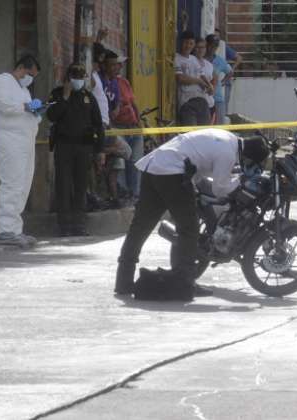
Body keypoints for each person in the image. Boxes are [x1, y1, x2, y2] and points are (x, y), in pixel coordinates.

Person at [114, 128, 271, 299]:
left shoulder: (226, 137)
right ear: (248, 156)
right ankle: (185, 283)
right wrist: (241, 181)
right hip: (172, 171)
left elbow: (199, 163)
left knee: (140, 227)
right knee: (189, 229)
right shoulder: (228, 154)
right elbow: (220, 189)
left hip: (154, 165)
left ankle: (123, 281)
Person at [0, 54, 43, 248]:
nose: (31, 79)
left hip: (24, 142)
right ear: (22, 68)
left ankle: (14, 229)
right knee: (12, 184)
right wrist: (27, 107)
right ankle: (4, 230)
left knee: (23, 185)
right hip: (9, 141)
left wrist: (36, 112)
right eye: (31, 74)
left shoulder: (23, 90)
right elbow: (3, 107)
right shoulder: (0, 81)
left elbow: (25, 112)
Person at [46, 64, 106, 236]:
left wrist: (100, 150)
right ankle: (64, 226)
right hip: (64, 146)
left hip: (84, 147)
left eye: (82, 77)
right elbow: (51, 116)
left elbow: (98, 125)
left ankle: (79, 225)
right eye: (76, 77)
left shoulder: (88, 97)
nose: (79, 80)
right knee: (63, 185)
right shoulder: (57, 94)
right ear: (68, 78)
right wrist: (65, 97)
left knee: (81, 185)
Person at [100, 50, 131, 208]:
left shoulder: (116, 83)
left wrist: (116, 108)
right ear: (104, 66)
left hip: (110, 126)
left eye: (116, 65)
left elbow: (117, 101)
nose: (115, 68)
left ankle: (114, 196)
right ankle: (104, 151)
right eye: (111, 65)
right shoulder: (99, 80)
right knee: (123, 151)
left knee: (120, 158)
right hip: (99, 127)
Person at [112, 55, 144, 202]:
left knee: (136, 162)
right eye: (118, 64)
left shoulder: (124, 82)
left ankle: (135, 195)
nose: (120, 67)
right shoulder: (109, 83)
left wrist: (139, 121)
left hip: (133, 125)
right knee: (121, 163)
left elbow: (133, 102)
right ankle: (124, 195)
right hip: (118, 126)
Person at [175, 31, 212, 126]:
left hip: (202, 100)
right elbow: (180, 78)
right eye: (186, 43)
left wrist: (209, 85)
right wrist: (199, 81)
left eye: (191, 43)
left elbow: (201, 74)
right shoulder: (176, 58)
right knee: (191, 135)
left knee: (205, 133)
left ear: (194, 45)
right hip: (187, 102)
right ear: (181, 43)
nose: (188, 46)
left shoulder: (194, 59)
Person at [206, 34, 233, 125]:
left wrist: (223, 82)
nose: (213, 48)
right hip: (204, 98)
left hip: (217, 98)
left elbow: (230, 72)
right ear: (207, 44)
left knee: (219, 126)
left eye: (216, 45)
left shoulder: (220, 61)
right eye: (211, 44)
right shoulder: (201, 59)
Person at [214, 28, 243, 112]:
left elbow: (239, 58)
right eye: (214, 36)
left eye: (217, 37)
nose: (216, 40)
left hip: (223, 82)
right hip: (214, 83)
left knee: (223, 107)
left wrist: (232, 68)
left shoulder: (223, 46)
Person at [193, 38, 216, 122]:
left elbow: (213, 81)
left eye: (203, 47)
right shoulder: (191, 61)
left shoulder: (209, 65)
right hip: (195, 103)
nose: (200, 50)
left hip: (209, 103)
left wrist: (212, 89)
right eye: (198, 47)